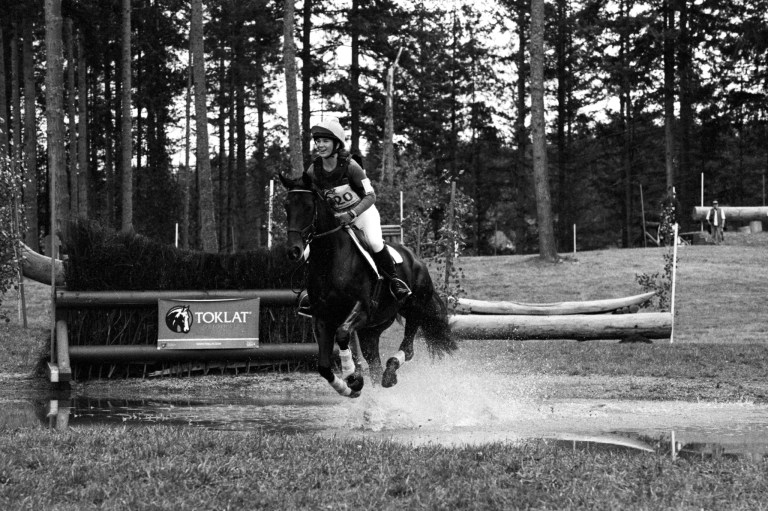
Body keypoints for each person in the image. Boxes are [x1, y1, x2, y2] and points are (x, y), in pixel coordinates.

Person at [294, 118, 411, 315]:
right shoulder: (314, 170)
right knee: (307, 253)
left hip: (362, 213)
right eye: (318, 141)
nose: (320, 145)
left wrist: (352, 213)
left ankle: (395, 282)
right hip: (336, 220)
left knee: (374, 242)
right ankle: (312, 296)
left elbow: (371, 196)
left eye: (325, 141)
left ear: (336, 144)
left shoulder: (351, 166)